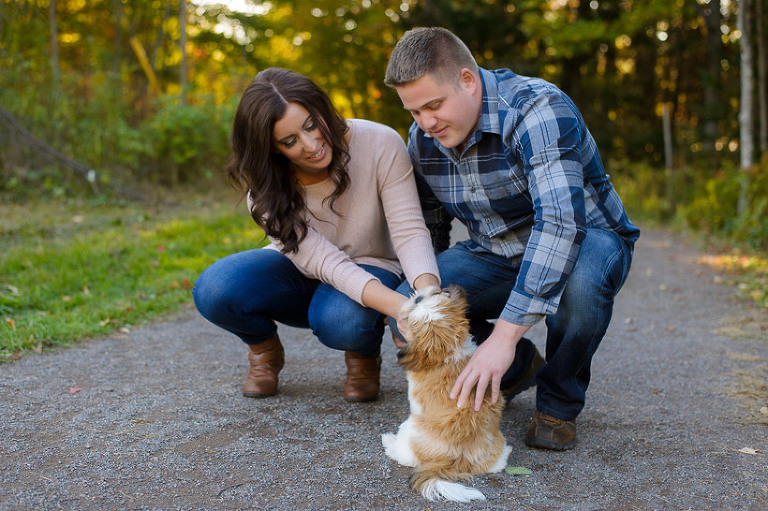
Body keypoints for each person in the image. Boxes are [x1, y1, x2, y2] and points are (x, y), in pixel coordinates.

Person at [384, 27, 640, 450]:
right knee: (408, 310)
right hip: (495, 253)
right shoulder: (423, 142)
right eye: (414, 112)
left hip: (587, 242)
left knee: (578, 289)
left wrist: (504, 335)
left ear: (467, 80)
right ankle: (518, 368)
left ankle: (557, 403)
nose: (426, 123)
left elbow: (560, 224)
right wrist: (428, 306)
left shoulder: (536, 108)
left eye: (434, 105)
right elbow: (428, 235)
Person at [193, 68, 440, 403]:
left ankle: (363, 354)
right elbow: (325, 263)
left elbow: (409, 229)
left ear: (321, 108)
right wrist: (399, 307)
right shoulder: (266, 191)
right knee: (214, 288)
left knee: (342, 321)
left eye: (311, 124)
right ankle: (264, 352)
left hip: (373, 262)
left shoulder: (380, 141)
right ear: (272, 148)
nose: (311, 145)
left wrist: (426, 300)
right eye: (290, 141)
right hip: (304, 269)